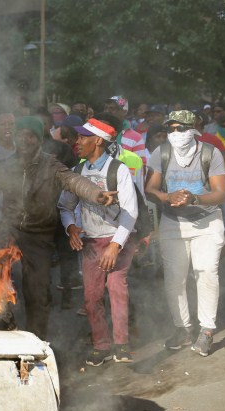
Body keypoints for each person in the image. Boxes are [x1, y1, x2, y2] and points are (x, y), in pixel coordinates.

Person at [0, 117, 115, 340]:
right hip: (8, 230)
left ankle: (36, 341)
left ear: (39, 140)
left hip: (39, 235)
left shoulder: (52, 166)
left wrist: (97, 194)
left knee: (38, 291)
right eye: (21, 134)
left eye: (30, 135)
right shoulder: (5, 166)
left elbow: (74, 181)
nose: (25, 139)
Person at [145, 111, 225, 357]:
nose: (175, 134)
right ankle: (183, 328)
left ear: (193, 130)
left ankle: (207, 331)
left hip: (207, 222)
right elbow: (150, 189)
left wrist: (195, 198)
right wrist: (166, 197)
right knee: (174, 279)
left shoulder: (210, 153)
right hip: (173, 223)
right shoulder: (162, 153)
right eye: (171, 129)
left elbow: (221, 193)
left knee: (206, 273)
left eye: (180, 128)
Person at [58, 118, 139, 366]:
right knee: (92, 297)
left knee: (116, 290)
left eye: (83, 137)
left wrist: (115, 246)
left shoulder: (118, 170)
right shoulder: (79, 172)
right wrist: (71, 227)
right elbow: (65, 205)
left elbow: (131, 211)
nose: (77, 142)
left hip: (118, 240)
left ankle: (122, 344)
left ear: (99, 141)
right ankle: (101, 345)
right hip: (91, 243)